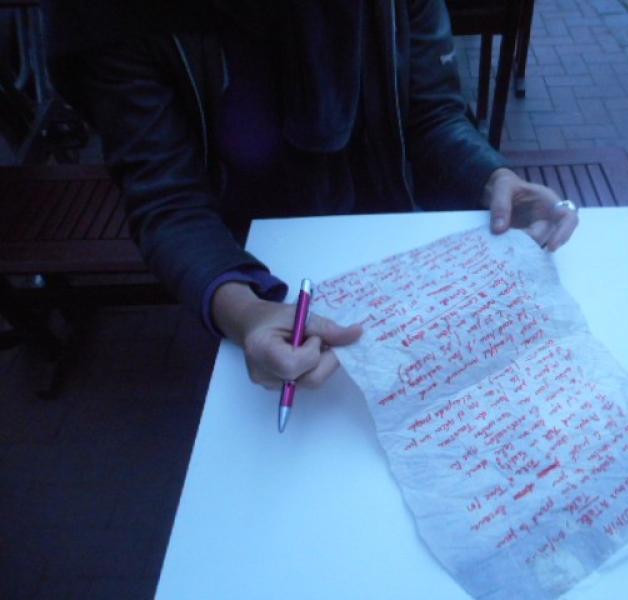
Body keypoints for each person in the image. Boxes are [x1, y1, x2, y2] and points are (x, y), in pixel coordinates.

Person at [45, 0, 578, 393]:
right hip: (243, 258)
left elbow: (431, 112)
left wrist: (490, 177)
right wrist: (245, 313)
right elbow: (168, 202)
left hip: (387, 250)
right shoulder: (112, 15)